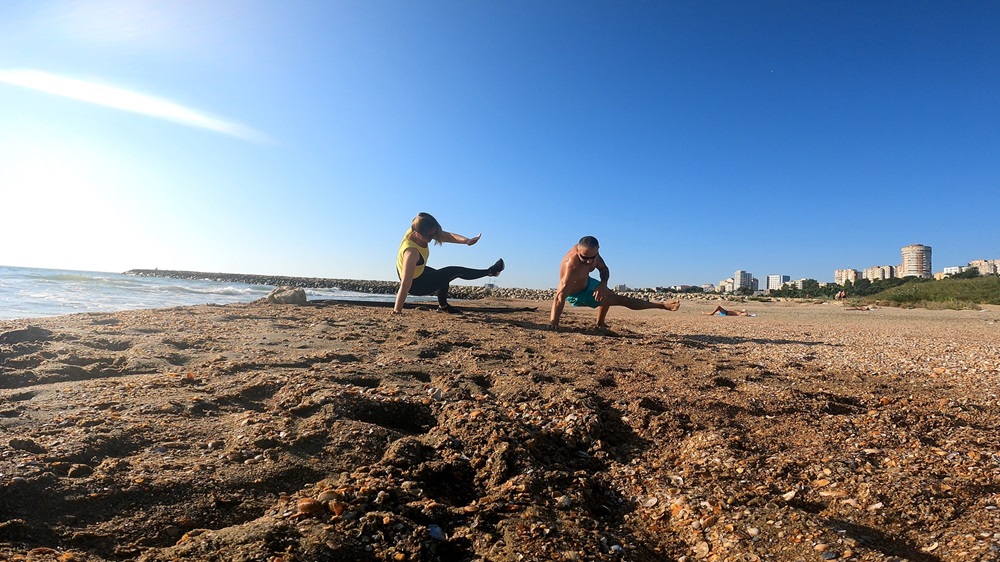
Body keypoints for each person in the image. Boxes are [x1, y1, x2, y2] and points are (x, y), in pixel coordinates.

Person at [549, 236, 679, 330]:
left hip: (588, 282)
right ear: (577, 251)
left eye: (592, 258)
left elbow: (604, 269)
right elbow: (560, 296)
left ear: (598, 250)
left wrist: (603, 284)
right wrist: (554, 322)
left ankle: (600, 323)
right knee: (623, 300)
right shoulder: (571, 266)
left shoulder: (593, 254)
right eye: (584, 258)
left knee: (607, 292)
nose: (589, 261)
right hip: (577, 293)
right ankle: (662, 305)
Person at [393, 212, 504, 314]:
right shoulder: (412, 253)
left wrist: (467, 241)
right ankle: (490, 272)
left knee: (442, 276)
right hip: (415, 285)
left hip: (418, 272)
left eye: (434, 234)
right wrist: (397, 310)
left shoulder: (416, 229)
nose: (432, 238)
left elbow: (446, 236)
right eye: (429, 236)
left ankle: (443, 307)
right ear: (417, 234)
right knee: (453, 271)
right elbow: (405, 284)